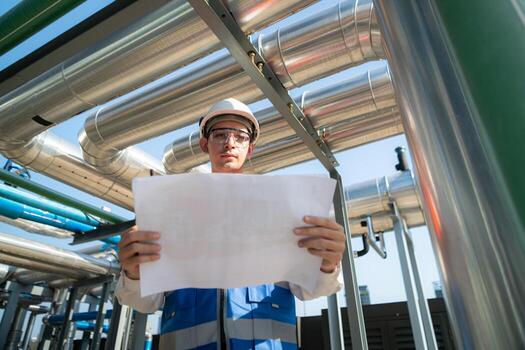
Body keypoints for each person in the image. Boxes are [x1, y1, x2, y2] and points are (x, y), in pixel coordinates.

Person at [115, 98, 346, 349]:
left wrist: (327, 265)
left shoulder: (283, 209)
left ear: (250, 148)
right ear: (205, 144)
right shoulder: (172, 212)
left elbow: (310, 290)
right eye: (220, 134)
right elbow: (145, 302)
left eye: (240, 137)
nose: (230, 143)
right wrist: (134, 273)